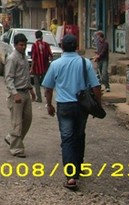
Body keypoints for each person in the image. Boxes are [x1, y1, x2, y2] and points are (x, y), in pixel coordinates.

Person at [42, 34, 101, 191]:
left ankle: (71, 177)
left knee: (67, 139)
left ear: (62, 47)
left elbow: (48, 88)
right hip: (82, 107)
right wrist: (97, 106)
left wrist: (49, 105)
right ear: (77, 47)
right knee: (79, 136)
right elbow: (96, 86)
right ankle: (79, 167)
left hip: (64, 107)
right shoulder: (85, 63)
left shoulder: (56, 64)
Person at [4, 33, 36, 158]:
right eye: (21, 45)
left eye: (24, 44)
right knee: (17, 122)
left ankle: (11, 138)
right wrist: (14, 93)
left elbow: (25, 76)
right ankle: (16, 148)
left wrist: (31, 89)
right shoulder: (12, 58)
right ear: (15, 45)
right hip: (16, 94)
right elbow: (8, 79)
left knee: (27, 119)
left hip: (25, 92)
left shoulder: (24, 57)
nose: (23, 47)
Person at [30, 30, 53, 103]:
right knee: (45, 82)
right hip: (45, 67)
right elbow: (51, 56)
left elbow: (33, 58)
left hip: (37, 68)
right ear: (42, 36)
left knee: (36, 83)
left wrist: (31, 68)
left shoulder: (34, 45)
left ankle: (39, 98)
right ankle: (46, 94)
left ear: (35, 37)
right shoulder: (46, 44)